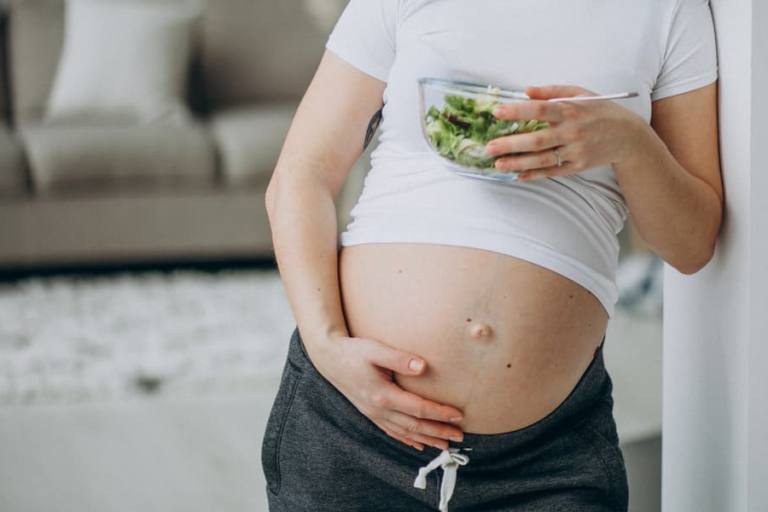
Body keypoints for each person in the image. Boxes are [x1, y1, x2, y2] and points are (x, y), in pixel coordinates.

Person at [262, 0, 722, 510]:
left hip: (547, 462)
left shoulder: (671, 11)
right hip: (351, 423)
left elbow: (691, 245)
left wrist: (632, 144)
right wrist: (325, 344)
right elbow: (301, 174)